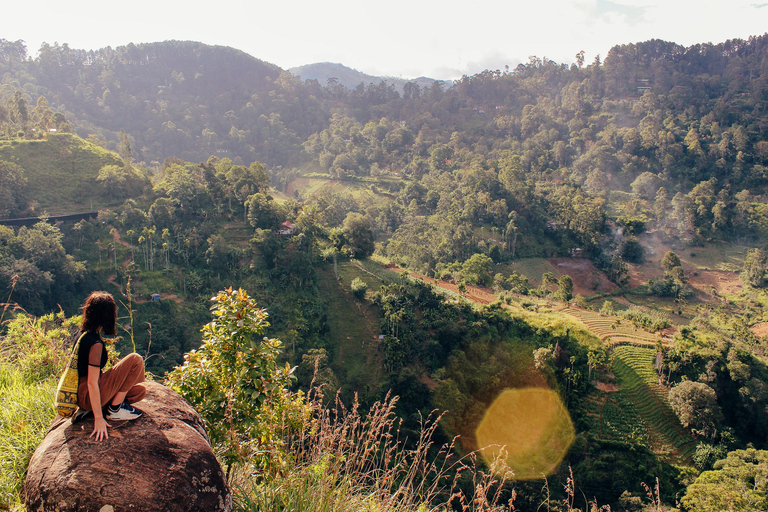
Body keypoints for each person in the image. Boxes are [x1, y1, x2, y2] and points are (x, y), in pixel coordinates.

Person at [72, 291, 146, 441]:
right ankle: (114, 410)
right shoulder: (95, 344)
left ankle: (94, 409)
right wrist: (98, 419)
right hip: (87, 393)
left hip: (80, 394)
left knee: (139, 392)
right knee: (135, 359)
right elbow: (92, 383)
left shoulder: (82, 334)